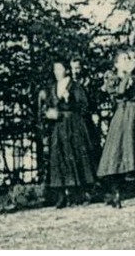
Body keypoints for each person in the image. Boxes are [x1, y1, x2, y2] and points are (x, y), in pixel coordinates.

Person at [98, 49, 135, 207]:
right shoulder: (112, 78)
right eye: (124, 59)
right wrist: (128, 75)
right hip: (123, 117)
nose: (128, 61)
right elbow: (119, 92)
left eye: (129, 58)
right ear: (116, 63)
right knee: (119, 154)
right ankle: (117, 195)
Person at [39, 60, 98, 208]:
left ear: (66, 70)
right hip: (59, 127)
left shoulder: (76, 87)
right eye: (55, 69)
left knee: (77, 157)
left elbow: (85, 108)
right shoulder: (52, 88)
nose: (57, 72)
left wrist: (69, 101)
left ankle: (82, 193)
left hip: (74, 126)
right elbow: (46, 107)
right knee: (59, 159)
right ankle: (62, 195)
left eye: (59, 69)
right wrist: (48, 113)